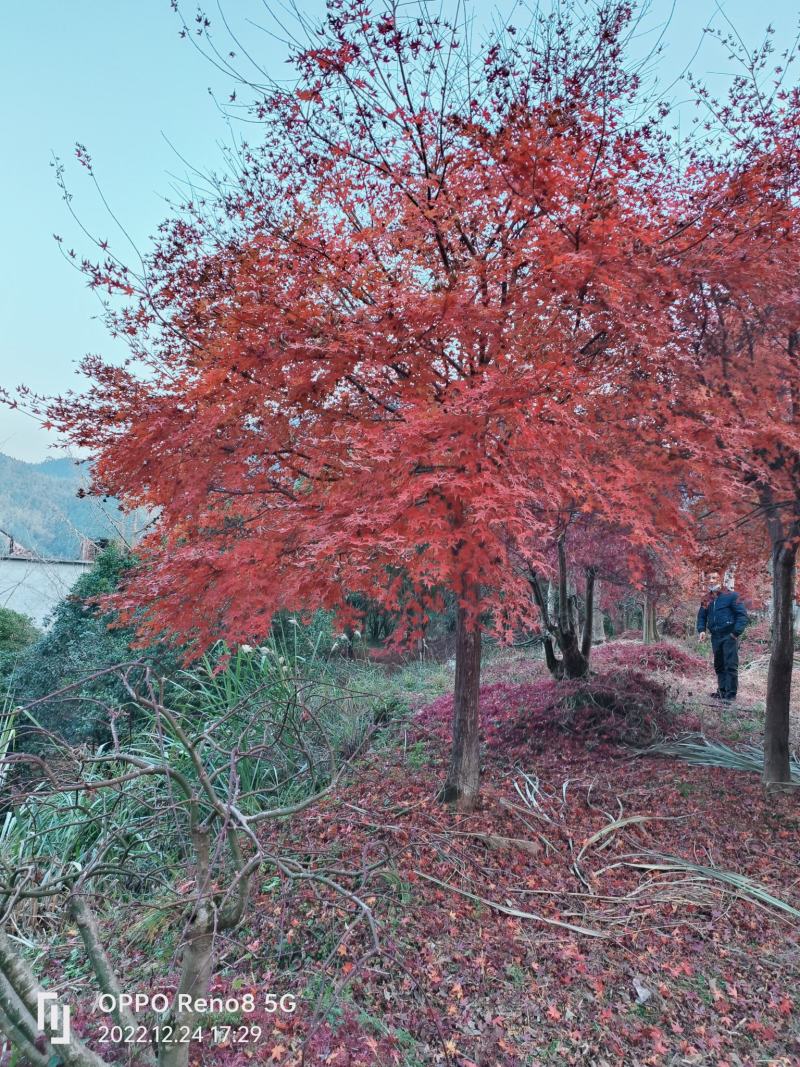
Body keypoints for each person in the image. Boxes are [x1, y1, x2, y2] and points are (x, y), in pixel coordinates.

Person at [696, 571, 749, 701]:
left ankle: (730, 695)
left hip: (729, 635)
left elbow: (742, 616)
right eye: (709, 578)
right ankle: (722, 691)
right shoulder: (706, 599)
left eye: (714, 578)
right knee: (719, 664)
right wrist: (702, 630)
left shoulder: (732, 596)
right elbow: (701, 616)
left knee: (730, 665)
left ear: (721, 580)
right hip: (715, 636)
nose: (711, 580)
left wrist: (735, 633)